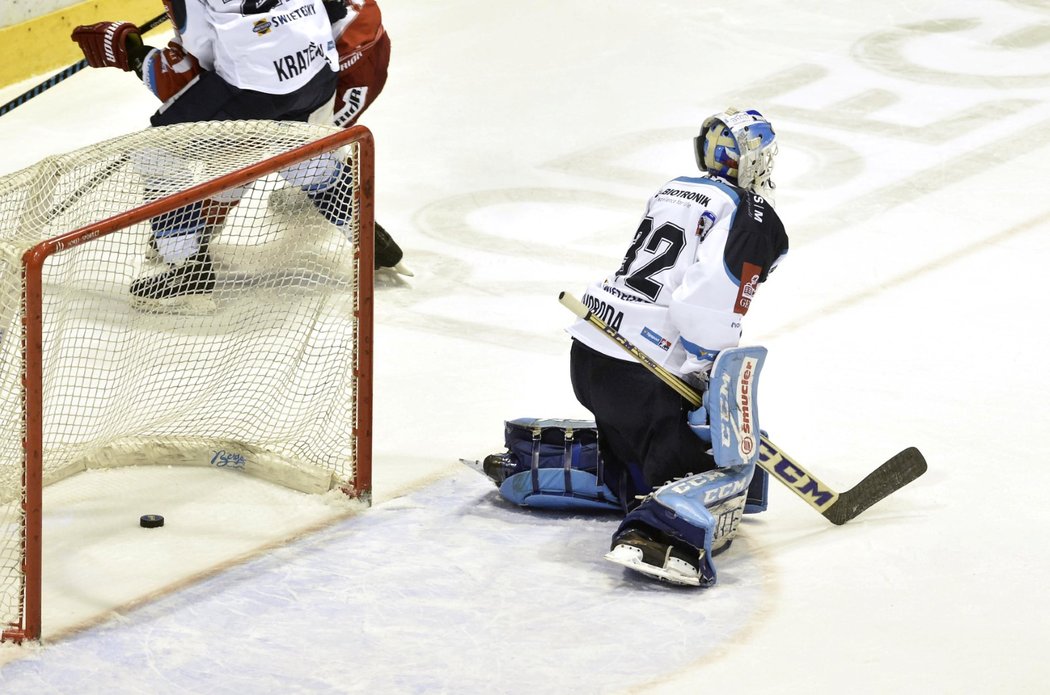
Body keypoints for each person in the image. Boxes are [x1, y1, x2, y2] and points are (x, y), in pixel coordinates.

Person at [484, 108, 788, 587]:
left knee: (636, 448)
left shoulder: (675, 188)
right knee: (715, 467)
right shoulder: (750, 214)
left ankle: (560, 463)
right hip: (645, 374)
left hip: (592, 352)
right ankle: (658, 531)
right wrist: (704, 369)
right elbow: (711, 297)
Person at [69, 0, 403, 309]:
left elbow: (194, 68)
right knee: (291, 145)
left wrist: (134, 56)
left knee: (157, 150)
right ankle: (367, 234)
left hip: (263, 85)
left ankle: (187, 270)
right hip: (320, 73)